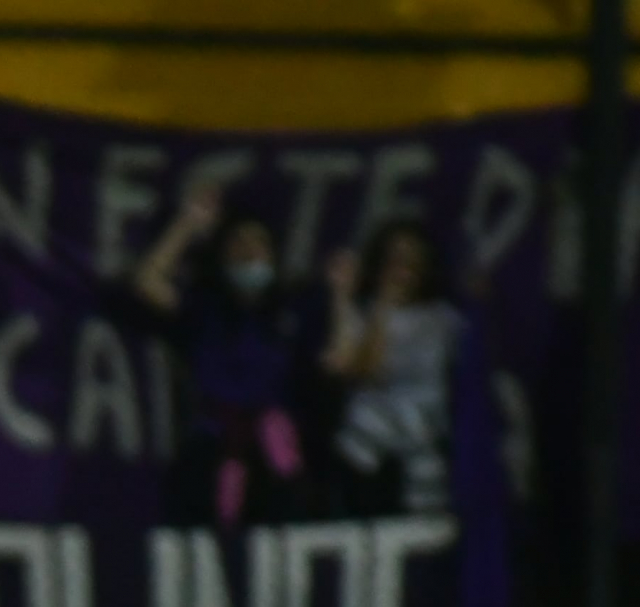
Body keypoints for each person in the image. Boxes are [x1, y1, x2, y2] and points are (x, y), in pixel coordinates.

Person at [132, 185, 324, 529]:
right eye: (238, 243)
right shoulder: (205, 310)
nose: (250, 252)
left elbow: (339, 360)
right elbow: (147, 282)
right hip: (212, 450)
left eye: (259, 243)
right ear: (221, 256)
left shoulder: (292, 312)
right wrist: (187, 224)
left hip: (276, 454)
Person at [324, 220, 465, 515]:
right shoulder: (367, 314)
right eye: (395, 260)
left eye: (412, 262)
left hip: (426, 434)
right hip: (371, 443)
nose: (403, 271)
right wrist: (383, 308)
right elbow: (366, 372)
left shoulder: (445, 319)